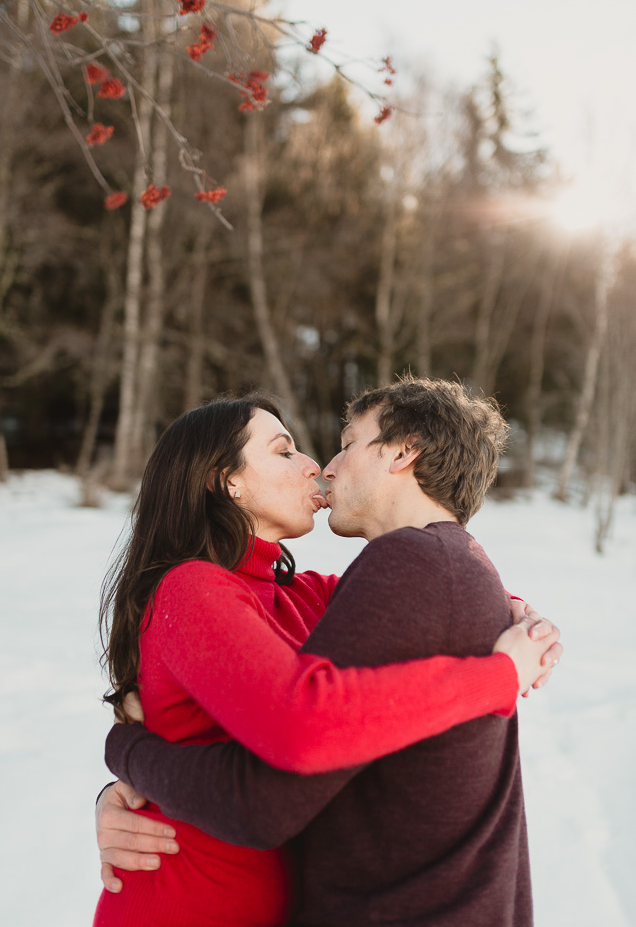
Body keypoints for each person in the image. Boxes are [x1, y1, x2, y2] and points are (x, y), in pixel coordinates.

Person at [94, 388, 560, 927]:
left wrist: (513, 609)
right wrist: (498, 677)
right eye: (284, 451)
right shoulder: (191, 589)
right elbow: (302, 722)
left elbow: (424, 589)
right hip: (186, 905)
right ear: (228, 481)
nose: (314, 465)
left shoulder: (299, 594)